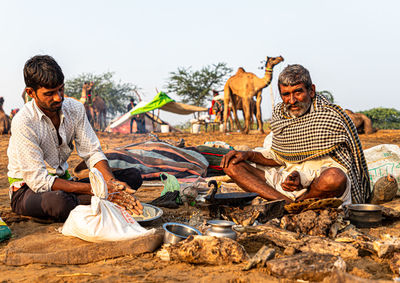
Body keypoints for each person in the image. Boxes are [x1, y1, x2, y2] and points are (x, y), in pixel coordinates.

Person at [7, 55, 143, 222]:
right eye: (49, 93)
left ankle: (96, 199)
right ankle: (97, 200)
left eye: (61, 89)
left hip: (65, 185)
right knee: (59, 202)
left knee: (132, 176)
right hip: (28, 191)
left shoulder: (75, 109)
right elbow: (38, 180)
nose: (58, 97)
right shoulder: (23, 121)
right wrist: (96, 189)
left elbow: (92, 152)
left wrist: (112, 184)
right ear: (31, 93)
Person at [221, 64, 370, 205]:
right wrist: (247, 155)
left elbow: (342, 166)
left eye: (298, 92)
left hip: (317, 187)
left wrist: (302, 179)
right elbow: (278, 156)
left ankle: (288, 202)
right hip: (284, 183)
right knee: (231, 165)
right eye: (286, 94)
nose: (291, 100)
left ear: (311, 91)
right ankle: (287, 204)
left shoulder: (330, 118)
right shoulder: (281, 116)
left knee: (334, 178)